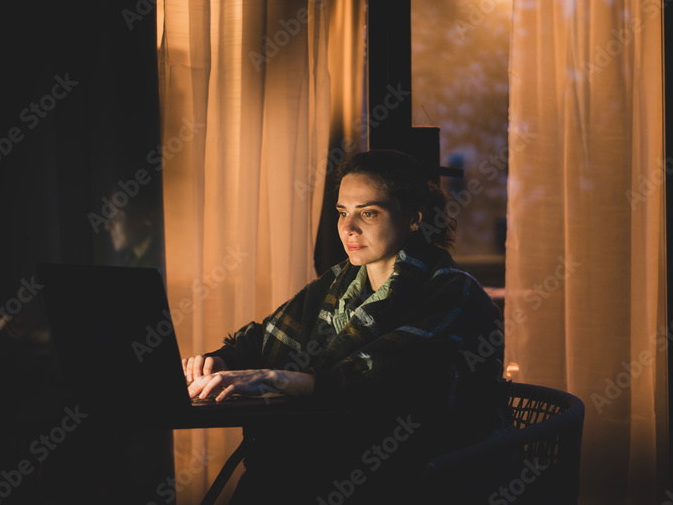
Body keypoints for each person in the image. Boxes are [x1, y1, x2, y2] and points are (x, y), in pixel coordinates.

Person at [182, 150, 509, 503]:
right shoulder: (338, 282)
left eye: (368, 212)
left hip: (413, 470)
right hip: (327, 459)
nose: (348, 228)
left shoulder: (454, 294)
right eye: (342, 212)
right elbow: (262, 339)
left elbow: (393, 387)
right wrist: (220, 360)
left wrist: (274, 378)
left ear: (414, 218)